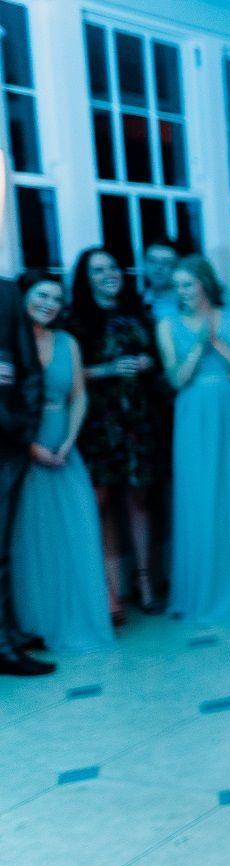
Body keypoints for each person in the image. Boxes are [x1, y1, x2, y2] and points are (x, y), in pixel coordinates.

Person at [156, 256, 230, 622]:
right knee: (202, 495)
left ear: (205, 284)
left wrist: (215, 341)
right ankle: (206, 589)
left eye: (189, 284)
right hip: (194, 411)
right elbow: (176, 379)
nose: (184, 292)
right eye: (178, 286)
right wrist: (196, 345)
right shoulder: (167, 324)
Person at [11, 272, 115, 653]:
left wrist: (69, 440)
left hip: (64, 446)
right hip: (22, 448)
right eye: (42, 295)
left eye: (56, 298)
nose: (49, 304)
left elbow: (79, 395)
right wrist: (31, 446)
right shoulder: (6, 342)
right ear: (24, 296)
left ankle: (79, 615)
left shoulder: (67, 342)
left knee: (77, 529)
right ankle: (35, 623)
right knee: (30, 538)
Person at [69, 249, 164, 616]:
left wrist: (148, 362)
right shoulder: (76, 320)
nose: (108, 274)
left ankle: (144, 583)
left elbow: (156, 358)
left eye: (112, 266)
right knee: (102, 502)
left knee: (139, 499)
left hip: (138, 417)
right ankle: (109, 591)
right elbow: (72, 375)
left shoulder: (138, 312)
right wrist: (109, 368)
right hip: (98, 422)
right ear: (86, 277)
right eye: (98, 269)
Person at [0, 276, 49, 677]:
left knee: (2, 546)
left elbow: (28, 365)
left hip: (6, 442)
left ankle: (6, 638)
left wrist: (23, 427)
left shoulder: (6, 291)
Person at [141, 242, 180, 322]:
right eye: (152, 261)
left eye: (166, 262)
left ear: (176, 267)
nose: (159, 267)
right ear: (145, 265)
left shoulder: (187, 303)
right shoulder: (135, 303)